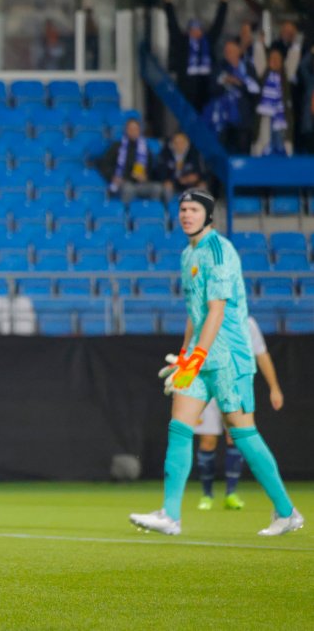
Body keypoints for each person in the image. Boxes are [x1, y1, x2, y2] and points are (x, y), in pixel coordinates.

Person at [130, 190, 303, 537]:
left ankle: (287, 512)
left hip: (228, 359)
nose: (186, 215)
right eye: (182, 209)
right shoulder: (187, 254)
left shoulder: (220, 250)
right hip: (200, 358)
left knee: (243, 435)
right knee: (179, 426)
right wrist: (185, 355)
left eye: (193, 209)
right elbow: (194, 312)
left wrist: (197, 356)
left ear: (208, 216)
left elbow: (217, 310)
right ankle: (171, 515)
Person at [194, 315, 285, 511]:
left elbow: (261, 354)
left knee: (235, 438)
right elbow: (194, 350)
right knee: (207, 440)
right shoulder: (206, 319)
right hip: (210, 385)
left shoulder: (247, 322)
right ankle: (207, 494)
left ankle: (231, 493)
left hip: (236, 387)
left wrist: (274, 387)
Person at [164, 0, 229, 112]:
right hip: (187, 88)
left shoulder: (207, 42)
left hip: (206, 88)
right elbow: (172, 27)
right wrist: (168, 4)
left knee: (205, 117)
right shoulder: (183, 43)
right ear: (189, 31)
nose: (196, 32)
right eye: (193, 29)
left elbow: (218, 26)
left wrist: (223, 3)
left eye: (198, 29)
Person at [207, 39, 260, 155]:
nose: (228, 53)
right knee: (222, 150)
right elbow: (212, 90)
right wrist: (224, 82)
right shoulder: (219, 67)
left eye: (231, 50)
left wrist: (239, 83)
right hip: (224, 118)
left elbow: (256, 92)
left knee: (243, 149)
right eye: (226, 51)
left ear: (239, 52)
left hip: (243, 118)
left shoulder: (248, 68)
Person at [100, 118, 165, 204]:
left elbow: (150, 170)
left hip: (140, 184)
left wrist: (145, 177)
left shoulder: (145, 149)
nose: (133, 131)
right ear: (126, 131)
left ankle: (151, 214)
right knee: (128, 189)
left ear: (139, 131)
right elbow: (104, 165)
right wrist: (113, 177)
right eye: (130, 129)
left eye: (136, 129)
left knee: (157, 188)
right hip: (122, 183)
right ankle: (125, 214)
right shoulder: (117, 146)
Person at [252, 46, 293, 156]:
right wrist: (258, 44)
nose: (274, 61)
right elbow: (258, 58)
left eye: (277, 59)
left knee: (282, 148)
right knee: (263, 146)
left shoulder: (285, 76)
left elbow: (293, 60)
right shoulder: (263, 74)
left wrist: (297, 44)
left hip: (281, 120)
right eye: (272, 58)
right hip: (265, 119)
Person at [159, 133, 209, 197]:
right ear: (172, 144)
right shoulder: (165, 154)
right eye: (176, 143)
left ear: (187, 143)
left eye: (181, 142)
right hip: (173, 183)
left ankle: (200, 206)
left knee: (202, 186)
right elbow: (161, 172)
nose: (179, 145)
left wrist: (197, 178)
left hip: (191, 184)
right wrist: (168, 180)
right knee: (167, 187)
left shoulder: (194, 154)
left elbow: (202, 172)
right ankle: (167, 206)